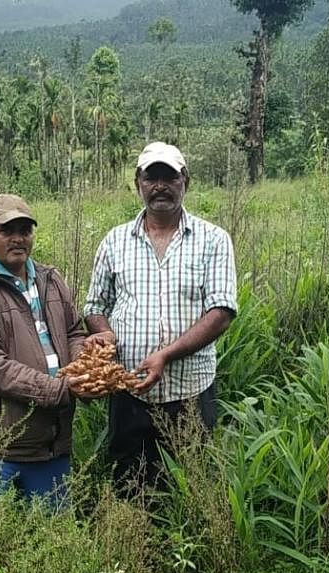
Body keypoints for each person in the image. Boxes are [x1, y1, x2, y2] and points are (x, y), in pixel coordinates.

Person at [83, 142, 238, 491]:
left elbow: (222, 311)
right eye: (151, 176)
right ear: (138, 182)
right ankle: (133, 542)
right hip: (129, 393)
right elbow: (94, 306)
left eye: (169, 176)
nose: (160, 186)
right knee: (130, 485)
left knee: (190, 486)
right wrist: (104, 334)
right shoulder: (115, 241)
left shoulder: (213, 240)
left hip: (190, 392)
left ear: (186, 181)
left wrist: (165, 356)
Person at [0, 193, 91, 508]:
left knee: (52, 547)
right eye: (6, 230)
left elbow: (74, 331)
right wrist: (61, 389)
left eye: (25, 230)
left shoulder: (52, 281)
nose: (18, 239)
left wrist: (84, 369)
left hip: (51, 446)